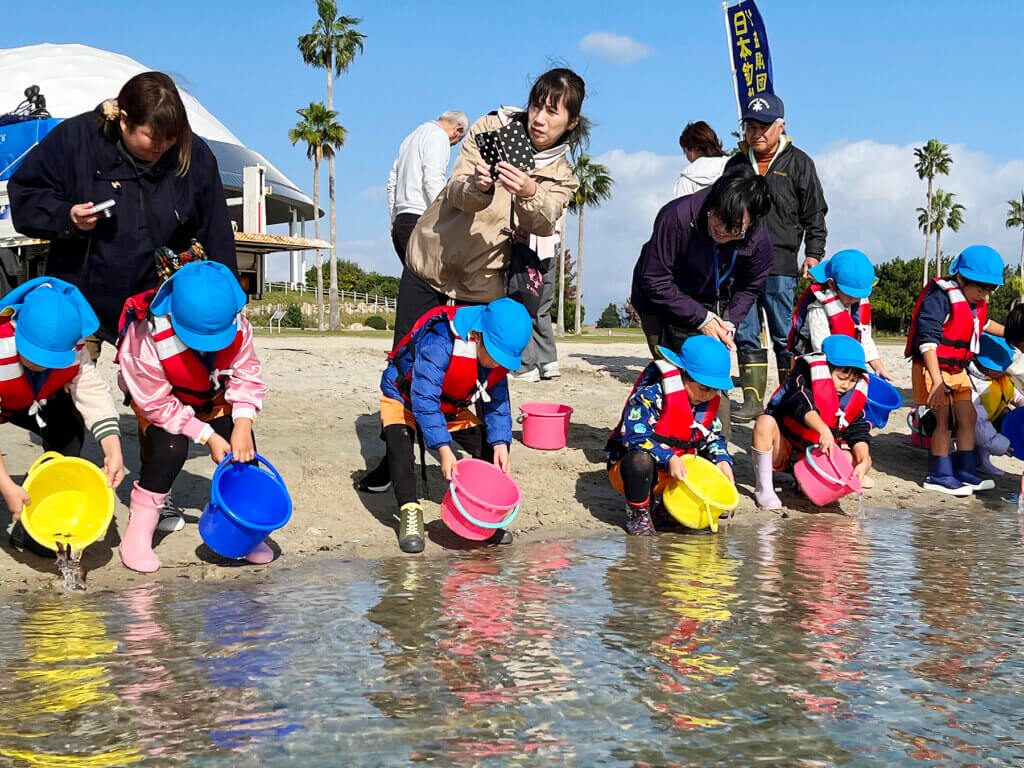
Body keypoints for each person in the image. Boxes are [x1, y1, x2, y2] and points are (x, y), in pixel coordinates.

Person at [357, 68, 584, 494]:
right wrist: (480, 186)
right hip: (433, 261)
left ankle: (474, 464)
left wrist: (530, 191)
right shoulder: (490, 125)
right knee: (406, 367)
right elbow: (456, 189)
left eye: (552, 112)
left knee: (474, 375)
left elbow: (543, 220)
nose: (538, 118)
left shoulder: (562, 174)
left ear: (570, 122)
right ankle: (396, 459)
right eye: (536, 105)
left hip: (481, 285)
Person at [8, 71, 237, 355]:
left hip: (159, 305)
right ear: (125, 120)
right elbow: (25, 196)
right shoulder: (75, 139)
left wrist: (230, 295)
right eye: (154, 137)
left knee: (171, 393)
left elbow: (217, 231)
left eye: (171, 137)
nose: (163, 146)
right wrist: (66, 216)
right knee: (67, 390)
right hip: (80, 301)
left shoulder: (193, 154)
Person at [117, 262, 268, 572]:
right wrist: (208, 436)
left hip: (210, 395)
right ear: (171, 312)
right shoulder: (145, 335)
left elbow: (247, 375)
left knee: (245, 451)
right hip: (162, 401)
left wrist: (241, 424)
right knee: (170, 450)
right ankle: (139, 531)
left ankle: (244, 531)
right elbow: (155, 402)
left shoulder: (238, 325)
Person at [379, 298, 532, 554]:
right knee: (399, 445)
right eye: (495, 355)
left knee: (487, 446)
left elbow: (497, 403)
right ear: (478, 335)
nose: (497, 364)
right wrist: (443, 449)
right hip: (404, 397)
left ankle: (479, 517)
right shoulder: (441, 341)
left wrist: (500, 443)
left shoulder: (493, 361)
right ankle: (409, 512)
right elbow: (424, 398)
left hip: (450, 406)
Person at [0, 278, 124, 552]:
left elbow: (91, 392)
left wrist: (112, 446)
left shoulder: (74, 346)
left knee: (67, 429)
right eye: (34, 355)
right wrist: (7, 484)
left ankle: (39, 520)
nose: (41, 363)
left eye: (51, 359)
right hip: (7, 395)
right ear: (16, 326)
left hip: (32, 399)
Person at [727, 94, 829, 421]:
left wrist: (813, 254)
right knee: (744, 330)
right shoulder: (736, 164)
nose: (757, 133)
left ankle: (789, 399)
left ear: (781, 126)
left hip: (781, 265)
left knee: (785, 334)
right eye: (751, 126)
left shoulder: (800, 163)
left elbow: (815, 213)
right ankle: (753, 401)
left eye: (764, 126)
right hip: (738, 263)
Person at [630, 164, 773, 359]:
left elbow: (750, 287)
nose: (722, 230)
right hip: (658, 298)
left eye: (734, 227)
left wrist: (729, 322)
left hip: (710, 299)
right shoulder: (677, 216)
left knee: (707, 362)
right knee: (670, 365)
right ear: (712, 204)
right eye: (718, 218)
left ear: (752, 222)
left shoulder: (759, 239)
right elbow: (655, 279)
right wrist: (702, 319)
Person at [606, 336, 735, 536]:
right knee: (639, 459)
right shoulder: (651, 397)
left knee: (711, 459)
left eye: (715, 390)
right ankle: (639, 514)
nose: (709, 395)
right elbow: (634, 437)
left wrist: (723, 460)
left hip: (676, 476)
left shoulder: (704, 406)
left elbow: (714, 437)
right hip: (633, 473)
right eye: (704, 388)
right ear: (682, 375)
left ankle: (667, 512)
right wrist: (668, 458)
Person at [905, 245, 1005, 496]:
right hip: (934, 368)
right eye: (980, 288)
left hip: (957, 369)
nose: (984, 295)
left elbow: (984, 324)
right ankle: (938, 474)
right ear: (960, 277)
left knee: (968, 417)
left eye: (989, 290)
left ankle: (965, 470)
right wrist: (937, 382)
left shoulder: (974, 303)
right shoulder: (940, 298)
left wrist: (1013, 334)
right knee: (945, 421)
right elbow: (927, 341)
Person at [752, 335, 872, 509]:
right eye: (841, 378)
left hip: (812, 456)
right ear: (826, 369)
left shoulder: (850, 398)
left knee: (849, 457)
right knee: (764, 422)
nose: (846, 386)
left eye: (853, 381)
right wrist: (823, 430)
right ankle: (764, 488)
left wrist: (864, 460)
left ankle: (806, 483)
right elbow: (802, 405)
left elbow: (858, 431)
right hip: (783, 450)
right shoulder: (801, 380)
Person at [788, 248, 891, 380]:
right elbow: (820, 347)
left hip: (842, 366)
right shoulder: (818, 307)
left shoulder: (858, 301)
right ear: (831, 284)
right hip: (817, 366)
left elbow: (864, 336)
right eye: (850, 295)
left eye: (859, 296)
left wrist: (878, 366)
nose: (855, 300)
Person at [386, 110, 470, 264]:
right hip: (421, 219)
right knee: (430, 283)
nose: (451, 145)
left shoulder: (410, 138)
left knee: (412, 282)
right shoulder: (439, 137)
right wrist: (447, 217)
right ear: (457, 129)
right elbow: (433, 180)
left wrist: (393, 219)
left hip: (401, 221)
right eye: (455, 142)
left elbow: (392, 182)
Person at [969, 333, 1022, 476]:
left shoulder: (1001, 378)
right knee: (975, 436)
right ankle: (962, 462)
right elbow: (978, 424)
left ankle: (982, 461)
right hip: (967, 424)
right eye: (998, 368)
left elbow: (1014, 395)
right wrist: (1001, 446)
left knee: (1004, 415)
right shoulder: (974, 385)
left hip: (988, 420)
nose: (1003, 372)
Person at [671, 121, 730, 199]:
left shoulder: (687, 178)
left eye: (685, 152)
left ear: (694, 149)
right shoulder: (733, 164)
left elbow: (681, 209)